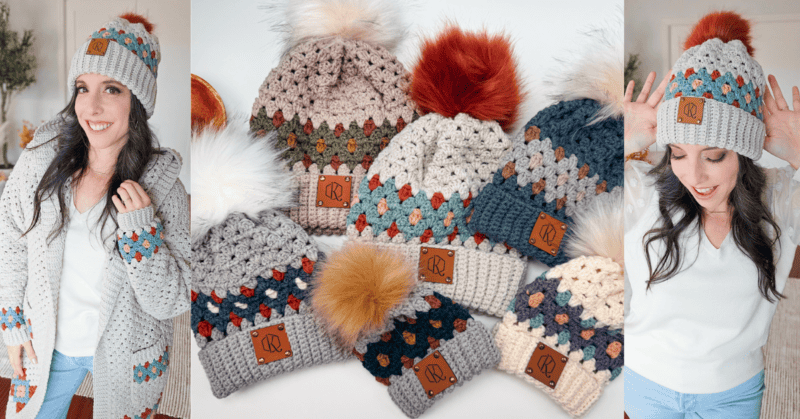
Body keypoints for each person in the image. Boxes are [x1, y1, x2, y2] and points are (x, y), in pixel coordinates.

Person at [0, 13, 190, 419]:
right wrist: (12, 322)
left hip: (129, 357)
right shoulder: (40, 159)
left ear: (137, 102)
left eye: (112, 89)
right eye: (82, 88)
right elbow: (10, 237)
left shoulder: (164, 188)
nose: (93, 106)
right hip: (45, 346)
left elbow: (171, 300)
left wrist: (142, 236)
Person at [622, 12, 799, 419]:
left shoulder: (781, 199)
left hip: (732, 394)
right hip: (644, 382)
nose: (694, 177)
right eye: (678, 154)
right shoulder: (641, 191)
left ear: (744, 152)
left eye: (714, 156)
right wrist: (623, 141)